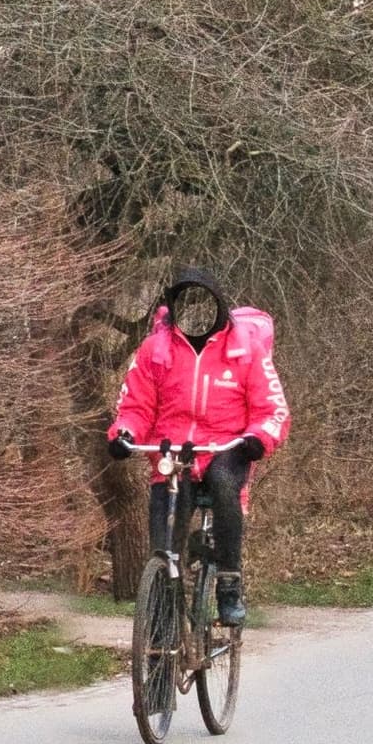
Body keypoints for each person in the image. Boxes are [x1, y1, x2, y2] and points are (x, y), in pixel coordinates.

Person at [106, 265, 287, 628]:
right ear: (175, 308)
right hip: (173, 453)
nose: (196, 314)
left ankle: (229, 584)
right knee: (165, 538)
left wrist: (258, 438)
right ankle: (161, 622)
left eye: (204, 303)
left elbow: (272, 409)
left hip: (228, 448)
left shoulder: (245, 350)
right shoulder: (156, 350)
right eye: (186, 304)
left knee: (223, 486)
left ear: (218, 306)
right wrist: (124, 433)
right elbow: (136, 406)